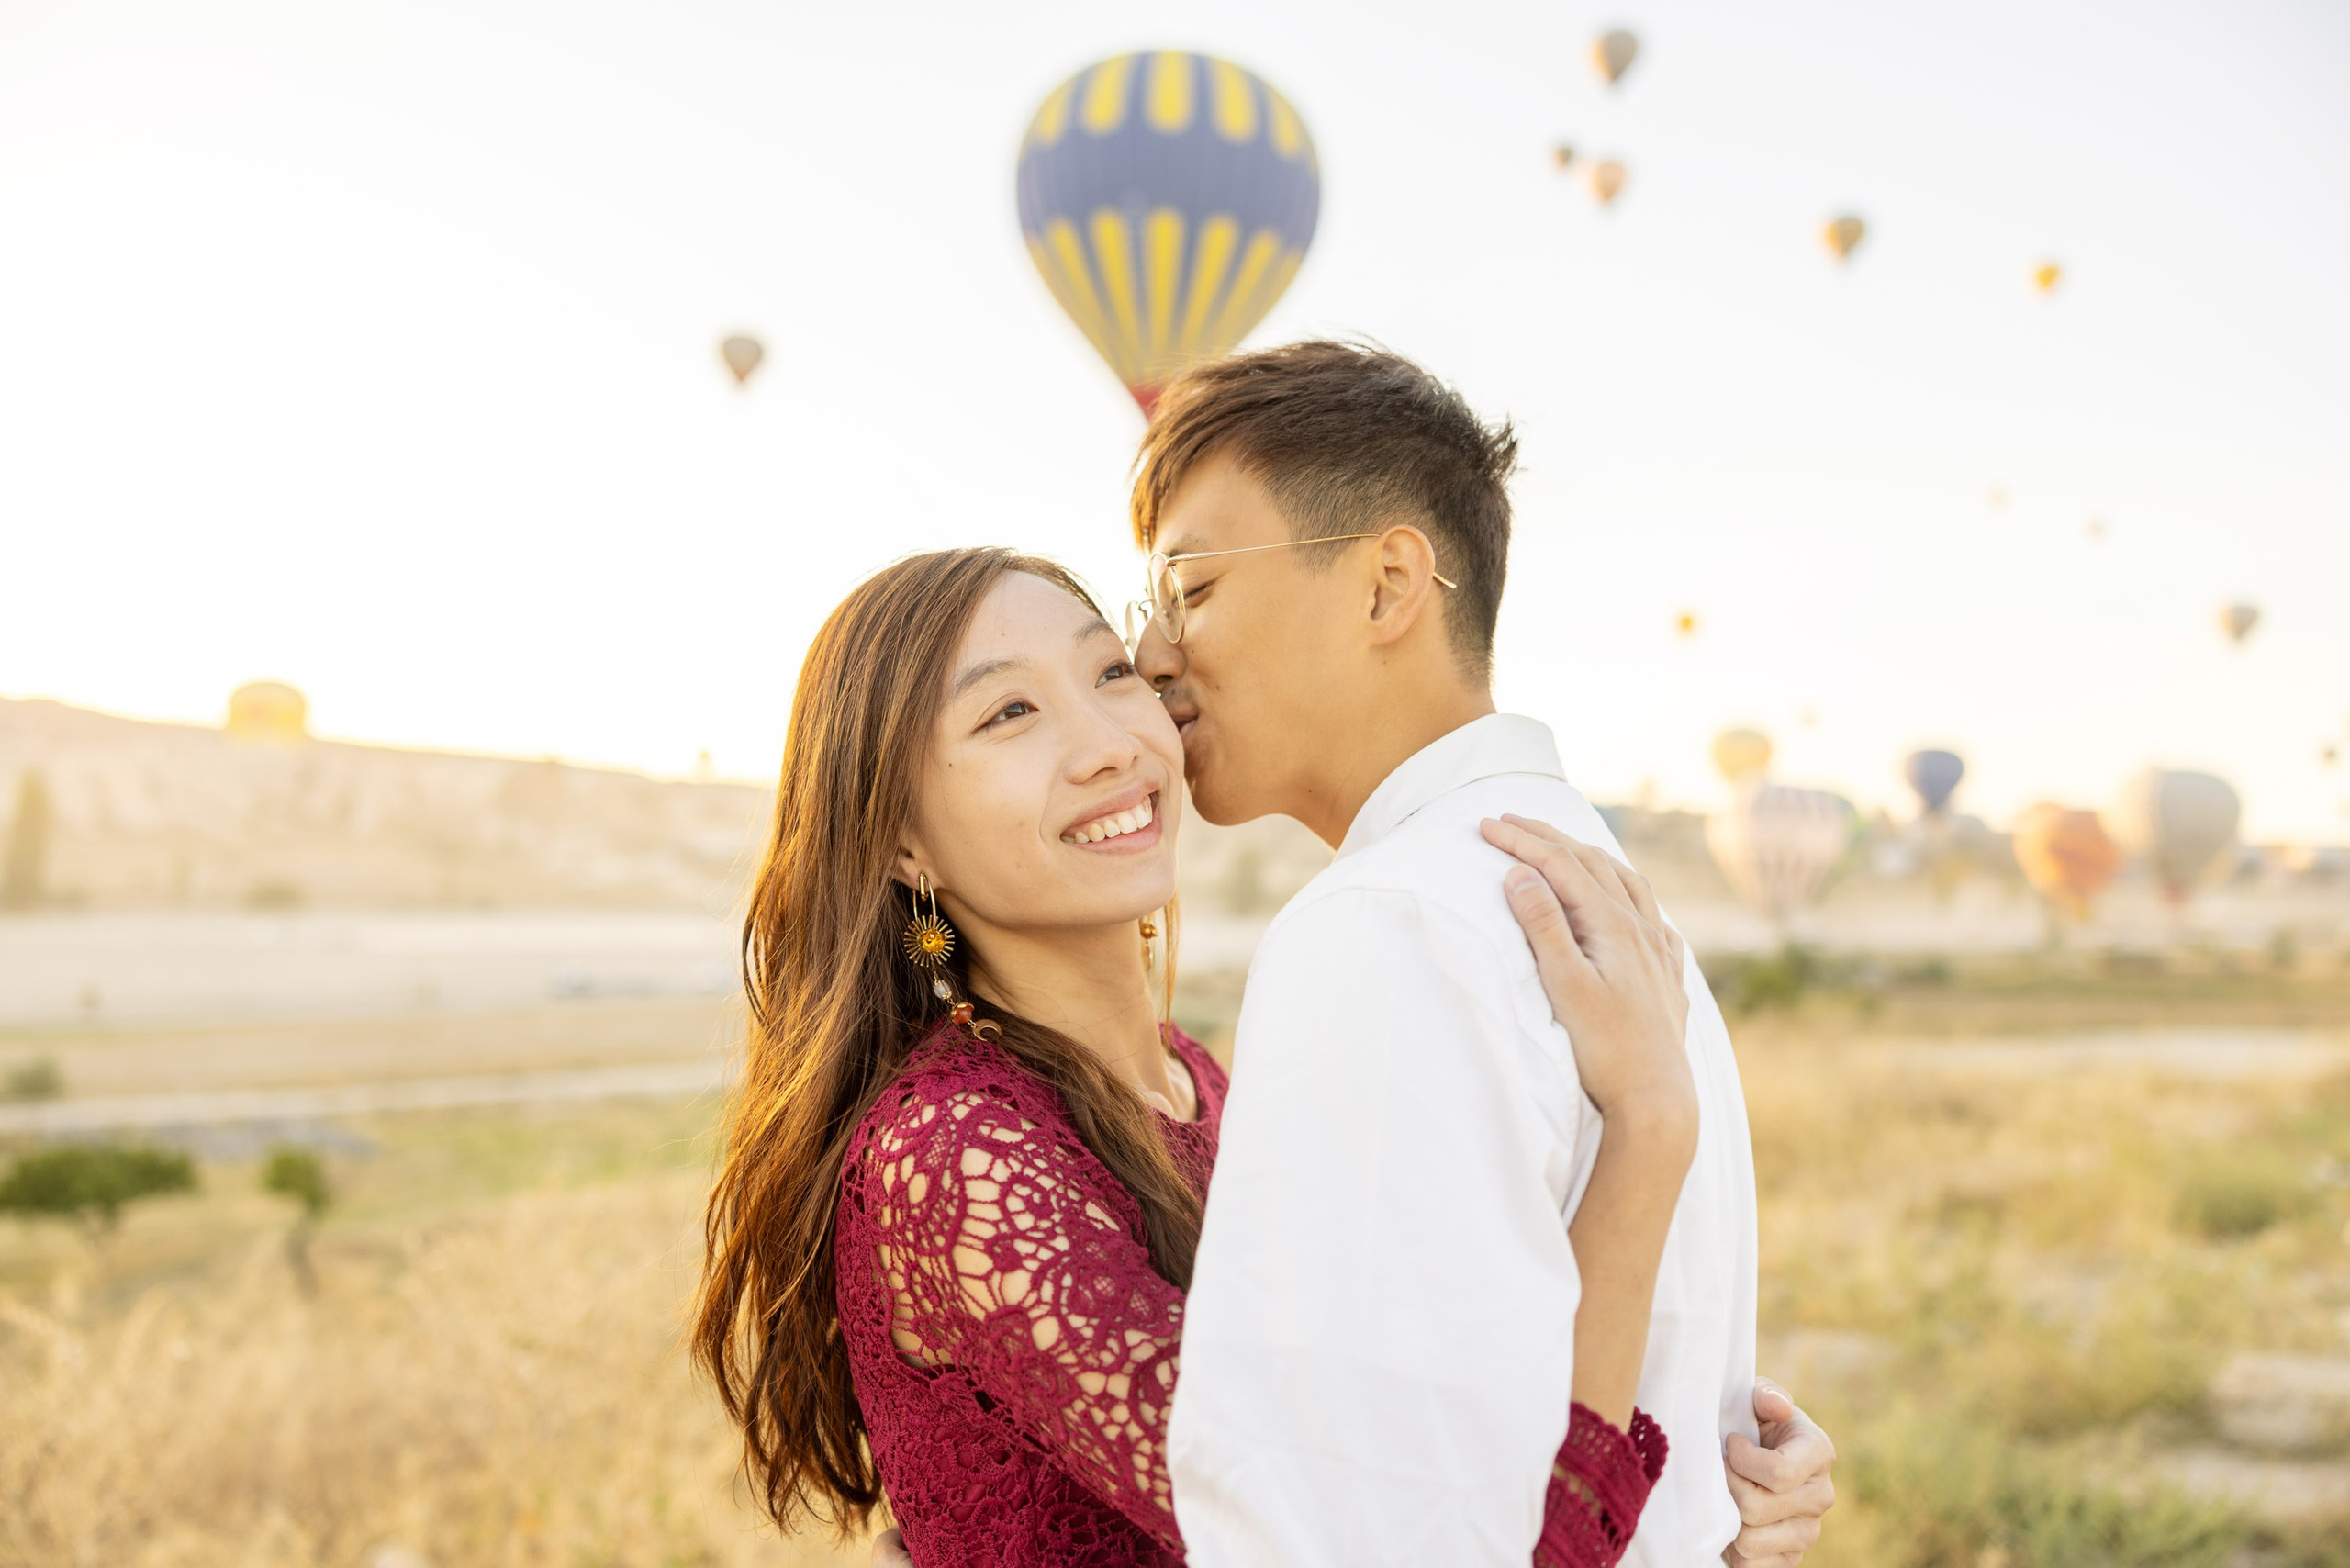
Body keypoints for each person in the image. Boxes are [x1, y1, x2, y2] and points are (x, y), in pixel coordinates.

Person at [690, 548, 1740, 1568]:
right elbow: (1366, 1539)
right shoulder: (956, 1153)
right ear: (900, 842)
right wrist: (1647, 1125)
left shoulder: (1195, 1076)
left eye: (1112, 673)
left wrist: (1715, 1485)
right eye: (1009, 711)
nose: (1109, 742)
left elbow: (1422, 1418)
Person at [1125, 342, 1835, 1567]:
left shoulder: (1387, 925)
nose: (1151, 657)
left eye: (1191, 587)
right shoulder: (1618, 921)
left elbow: (1354, 1519)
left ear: (1388, 585)